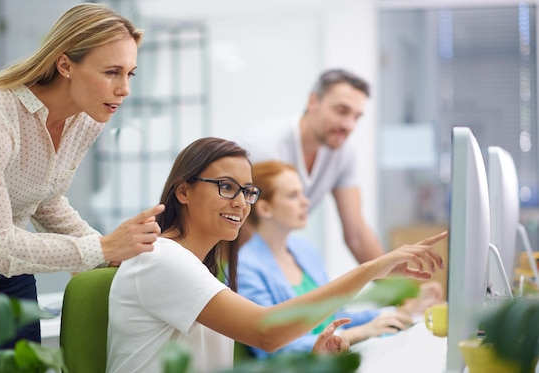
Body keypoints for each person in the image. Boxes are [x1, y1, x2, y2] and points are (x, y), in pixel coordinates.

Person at [0, 3, 164, 346]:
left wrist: (114, 256)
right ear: (65, 65)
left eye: (129, 73)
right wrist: (102, 247)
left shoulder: (86, 118)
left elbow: (46, 201)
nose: (125, 89)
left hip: (12, 273)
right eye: (111, 72)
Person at [106, 136, 447, 373]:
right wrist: (372, 269)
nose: (240, 202)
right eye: (226, 187)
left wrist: (314, 359)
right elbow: (266, 333)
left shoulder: (201, 268)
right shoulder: (162, 258)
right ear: (183, 190)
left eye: (247, 192)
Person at [237, 160, 445, 358]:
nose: (305, 202)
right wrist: (357, 333)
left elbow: (335, 317)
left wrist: (398, 311)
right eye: (293, 195)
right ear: (265, 208)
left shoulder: (304, 251)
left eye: (302, 193)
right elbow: (272, 348)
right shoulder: (245, 266)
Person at [238, 68, 383, 264]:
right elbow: (243, 228)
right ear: (313, 101)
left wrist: (401, 291)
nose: (349, 125)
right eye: (342, 111)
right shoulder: (266, 146)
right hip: (235, 258)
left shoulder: (343, 154)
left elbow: (356, 234)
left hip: (275, 255)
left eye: (356, 117)